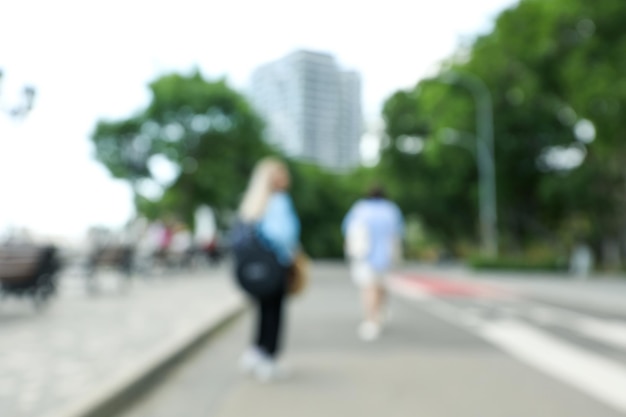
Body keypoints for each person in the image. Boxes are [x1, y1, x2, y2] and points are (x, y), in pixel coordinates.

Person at [236, 157, 300, 382]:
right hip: (276, 264)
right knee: (275, 313)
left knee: (263, 311)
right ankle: (269, 357)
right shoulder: (280, 201)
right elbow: (283, 235)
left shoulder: (252, 203)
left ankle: (256, 351)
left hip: (256, 267)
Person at [342, 185, 404, 341]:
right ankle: (380, 313)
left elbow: (347, 228)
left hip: (365, 255)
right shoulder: (391, 210)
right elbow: (400, 231)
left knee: (369, 288)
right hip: (386, 256)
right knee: (381, 287)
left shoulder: (360, 209)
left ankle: (371, 320)